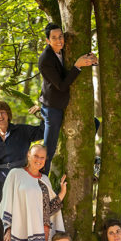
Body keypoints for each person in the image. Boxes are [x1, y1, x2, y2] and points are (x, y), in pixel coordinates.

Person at [38, 23, 98, 173]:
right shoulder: (45, 59)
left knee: (94, 123)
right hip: (52, 106)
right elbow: (62, 85)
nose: (59, 41)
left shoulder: (66, 50)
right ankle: (41, 180)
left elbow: (77, 63)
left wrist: (93, 61)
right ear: (47, 41)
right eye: (54, 38)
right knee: (49, 149)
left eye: (61, 37)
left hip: (68, 103)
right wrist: (77, 66)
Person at [0, 100, 44, 182]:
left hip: (23, 176)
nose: (0, 115)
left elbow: (43, 131)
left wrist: (42, 113)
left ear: (8, 114)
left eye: (3, 112)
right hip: (0, 179)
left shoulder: (22, 130)